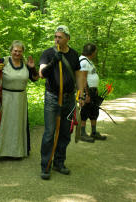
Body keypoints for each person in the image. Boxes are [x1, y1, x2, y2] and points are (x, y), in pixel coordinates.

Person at [39, 25, 85, 180]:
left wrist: (81, 94)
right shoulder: (48, 53)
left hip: (69, 98)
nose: (57, 39)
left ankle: (59, 162)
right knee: (49, 132)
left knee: (65, 132)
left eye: (60, 37)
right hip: (52, 98)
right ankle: (46, 165)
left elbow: (78, 76)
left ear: (67, 38)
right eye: (55, 37)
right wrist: (53, 62)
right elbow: (41, 74)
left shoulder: (74, 55)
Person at [0, 40, 39, 161]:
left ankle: (17, 152)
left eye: (20, 51)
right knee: (4, 124)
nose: (17, 53)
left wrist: (32, 68)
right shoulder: (3, 61)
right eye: (15, 51)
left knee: (17, 125)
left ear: (22, 52)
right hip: (6, 98)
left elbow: (35, 78)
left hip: (20, 99)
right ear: (11, 51)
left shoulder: (25, 63)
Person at [79, 43, 107, 142]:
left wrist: (95, 88)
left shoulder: (89, 61)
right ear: (91, 52)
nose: (96, 53)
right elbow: (82, 78)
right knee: (85, 111)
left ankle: (94, 132)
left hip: (92, 90)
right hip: (87, 91)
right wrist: (86, 94)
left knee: (94, 111)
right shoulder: (83, 62)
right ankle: (82, 133)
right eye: (95, 51)